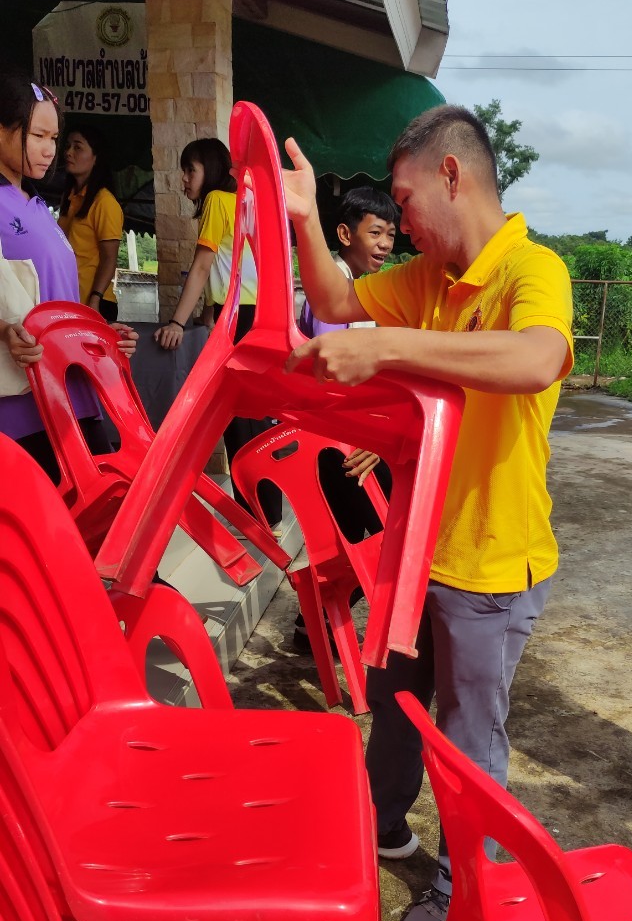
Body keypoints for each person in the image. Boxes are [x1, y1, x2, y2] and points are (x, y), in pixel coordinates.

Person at [283, 104, 573, 921]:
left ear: (452, 176)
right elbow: (333, 297)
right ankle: (379, 826)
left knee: (468, 738)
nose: (399, 221)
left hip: (490, 563)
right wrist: (303, 218)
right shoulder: (427, 281)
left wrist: (389, 351)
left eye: (405, 201)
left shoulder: (531, 269)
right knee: (395, 706)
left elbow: (534, 358)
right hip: (415, 551)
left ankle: (463, 890)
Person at [0, 71, 137, 483]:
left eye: (54, 138)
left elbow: (58, 300)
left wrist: (99, 333)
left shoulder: (38, 205)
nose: (50, 150)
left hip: (73, 392)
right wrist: (4, 331)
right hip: (23, 407)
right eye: (37, 136)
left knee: (104, 509)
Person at [154, 137, 281, 527]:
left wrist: (177, 323)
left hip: (239, 317)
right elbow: (235, 265)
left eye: (189, 170)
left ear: (209, 169)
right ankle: (268, 511)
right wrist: (208, 315)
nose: (184, 179)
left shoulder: (214, 201)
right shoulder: (243, 201)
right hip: (259, 315)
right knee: (255, 413)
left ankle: (253, 514)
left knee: (237, 414)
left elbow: (204, 266)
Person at [294, 187, 396, 650]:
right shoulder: (333, 291)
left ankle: (313, 622)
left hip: (347, 437)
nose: (385, 244)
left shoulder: (356, 288)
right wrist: (372, 436)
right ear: (344, 234)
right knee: (383, 533)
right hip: (337, 441)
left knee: (354, 536)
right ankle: (318, 619)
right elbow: (333, 377)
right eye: (375, 232)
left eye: (390, 234)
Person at [58, 124, 124, 322]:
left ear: (96, 158)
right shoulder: (69, 198)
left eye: (78, 147)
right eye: (68, 146)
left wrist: (96, 298)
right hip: (70, 300)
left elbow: (109, 258)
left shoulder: (104, 202)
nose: (68, 152)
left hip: (95, 304)